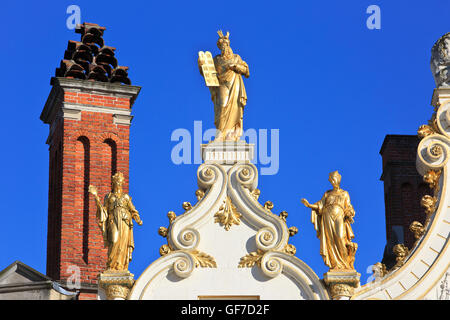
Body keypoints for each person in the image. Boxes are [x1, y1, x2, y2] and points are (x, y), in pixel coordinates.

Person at [301, 171, 357, 271]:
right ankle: (335, 264)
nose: (332, 181)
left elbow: (348, 207)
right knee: (329, 239)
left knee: (340, 237)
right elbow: (320, 205)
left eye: (333, 178)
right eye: (331, 179)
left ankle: (345, 264)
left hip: (339, 215)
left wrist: (349, 213)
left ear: (338, 179)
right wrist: (309, 205)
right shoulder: (327, 193)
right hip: (327, 216)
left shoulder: (344, 193)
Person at [199, 30, 249, 141]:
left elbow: (246, 71)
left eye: (225, 45)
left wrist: (235, 66)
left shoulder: (236, 58)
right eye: (221, 45)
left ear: (228, 45)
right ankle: (220, 134)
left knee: (235, 108)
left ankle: (231, 135)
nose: (224, 47)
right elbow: (208, 73)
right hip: (222, 86)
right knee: (222, 106)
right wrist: (201, 65)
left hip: (234, 84)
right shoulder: (216, 60)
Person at [89, 172, 143, 271]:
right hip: (113, 220)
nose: (118, 183)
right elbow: (104, 211)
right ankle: (111, 265)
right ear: (113, 183)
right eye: (116, 182)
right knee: (114, 241)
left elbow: (133, 210)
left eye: (120, 182)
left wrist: (137, 218)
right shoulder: (109, 196)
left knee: (123, 244)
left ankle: (120, 266)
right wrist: (96, 198)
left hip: (124, 221)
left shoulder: (126, 197)